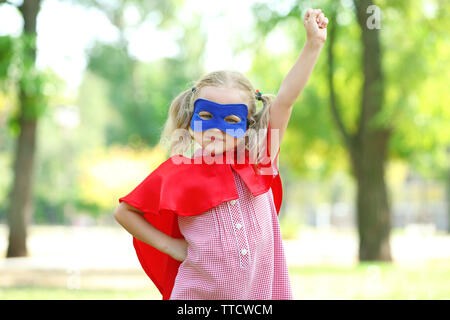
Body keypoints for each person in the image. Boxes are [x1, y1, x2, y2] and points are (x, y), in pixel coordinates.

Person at [114, 8, 328, 300]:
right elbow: (125, 211)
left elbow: (286, 100)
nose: (217, 128)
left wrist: (313, 45)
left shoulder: (261, 159)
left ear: (247, 123)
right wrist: (172, 246)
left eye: (230, 119)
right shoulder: (178, 170)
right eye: (207, 115)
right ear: (190, 117)